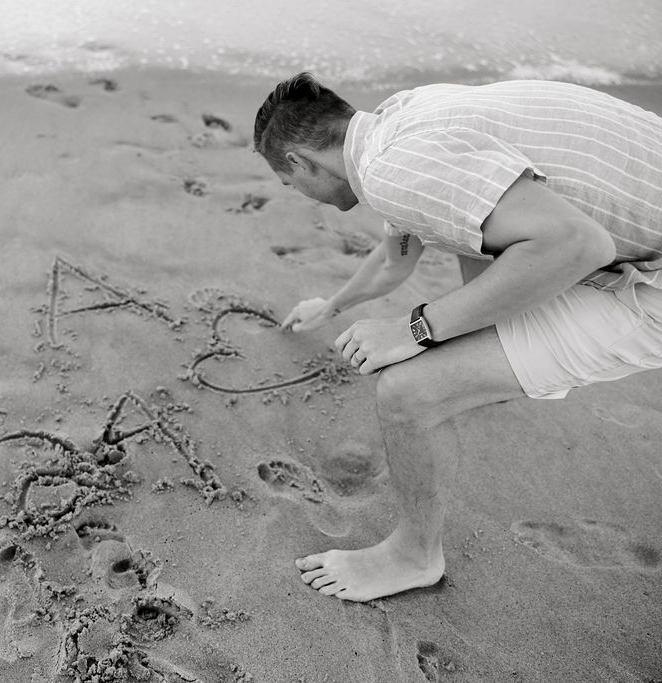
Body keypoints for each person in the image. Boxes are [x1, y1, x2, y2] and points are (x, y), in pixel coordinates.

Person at [253, 73, 662, 602]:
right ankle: (486, 365)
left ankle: (413, 557)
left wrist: (415, 330)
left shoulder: (390, 172)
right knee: (470, 239)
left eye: (292, 187)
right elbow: (396, 258)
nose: (303, 198)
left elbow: (578, 243)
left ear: (298, 163)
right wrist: (332, 306)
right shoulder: (402, 120)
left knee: (406, 393)